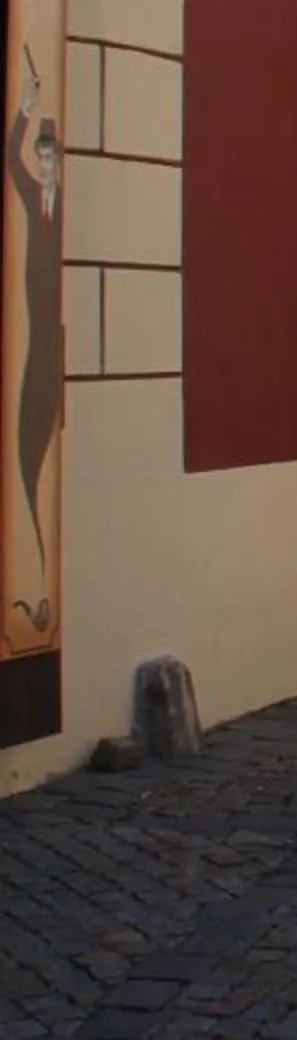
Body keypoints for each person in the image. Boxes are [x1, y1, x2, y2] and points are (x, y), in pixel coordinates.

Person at [7, 54, 62, 632]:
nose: (46, 166)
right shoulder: (32, 199)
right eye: (42, 157)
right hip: (31, 341)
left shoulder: (60, 207)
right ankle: (35, 579)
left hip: (52, 342)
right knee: (29, 451)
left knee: (39, 447)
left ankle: (38, 571)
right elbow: (11, 163)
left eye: (51, 158)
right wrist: (25, 114)